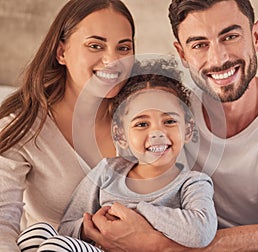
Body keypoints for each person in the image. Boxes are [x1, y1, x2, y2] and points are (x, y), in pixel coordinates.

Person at [77, 0, 258, 251]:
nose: (218, 58)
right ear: (182, 53)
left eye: (230, 36)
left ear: (256, 36)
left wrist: (157, 245)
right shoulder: (167, 109)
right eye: (199, 45)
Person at [17, 59, 217, 251]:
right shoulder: (108, 171)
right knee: (38, 233)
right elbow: (66, 227)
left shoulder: (193, 183)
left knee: (56, 246)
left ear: (188, 130)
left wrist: (140, 212)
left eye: (169, 121)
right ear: (121, 135)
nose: (157, 133)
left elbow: (201, 232)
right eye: (141, 124)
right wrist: (89, 229)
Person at [0, 0, 135, 251]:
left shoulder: (143, 116)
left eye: (123, 48)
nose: (113, 60)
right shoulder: (23, 127)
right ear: (61, 52)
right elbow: (2, 223)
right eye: (95, 45)